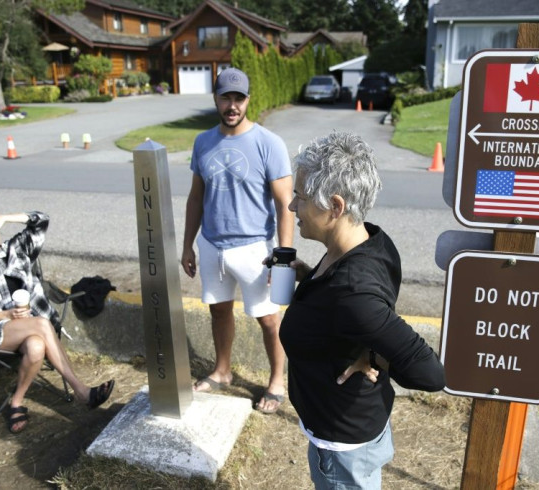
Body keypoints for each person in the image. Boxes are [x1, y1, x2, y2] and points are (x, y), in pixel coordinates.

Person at [279, 132, 446, 488]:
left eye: (301, 197)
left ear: (336, 207)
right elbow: (352, 307)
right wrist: (310, 277)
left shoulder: (353, 295)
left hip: (343, 451)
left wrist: (379, 357)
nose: (292, 207)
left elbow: (431, 374)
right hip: (348, 428)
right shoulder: (371, 241)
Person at [180, 67, 294, 414]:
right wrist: (188, 245)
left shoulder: (268, 143)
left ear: (248, 100)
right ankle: (223, 370)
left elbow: (285, 204)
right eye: (226, 97)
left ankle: (277, 382)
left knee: (269, 319)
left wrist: (284, 257)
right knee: (219, 311)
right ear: (215, 98)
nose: (232, 105)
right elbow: (196, 198)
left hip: (256, 249)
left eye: (238, 98)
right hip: (213, 246)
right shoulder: (203, 142)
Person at [0, 210, 115, 434]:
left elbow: (42, 220)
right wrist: (3, 316)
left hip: (30, 326)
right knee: (43, 325)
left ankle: (15, 403)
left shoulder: (15, 248)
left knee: (36, 346)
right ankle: (82, 391)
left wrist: (6, 218)